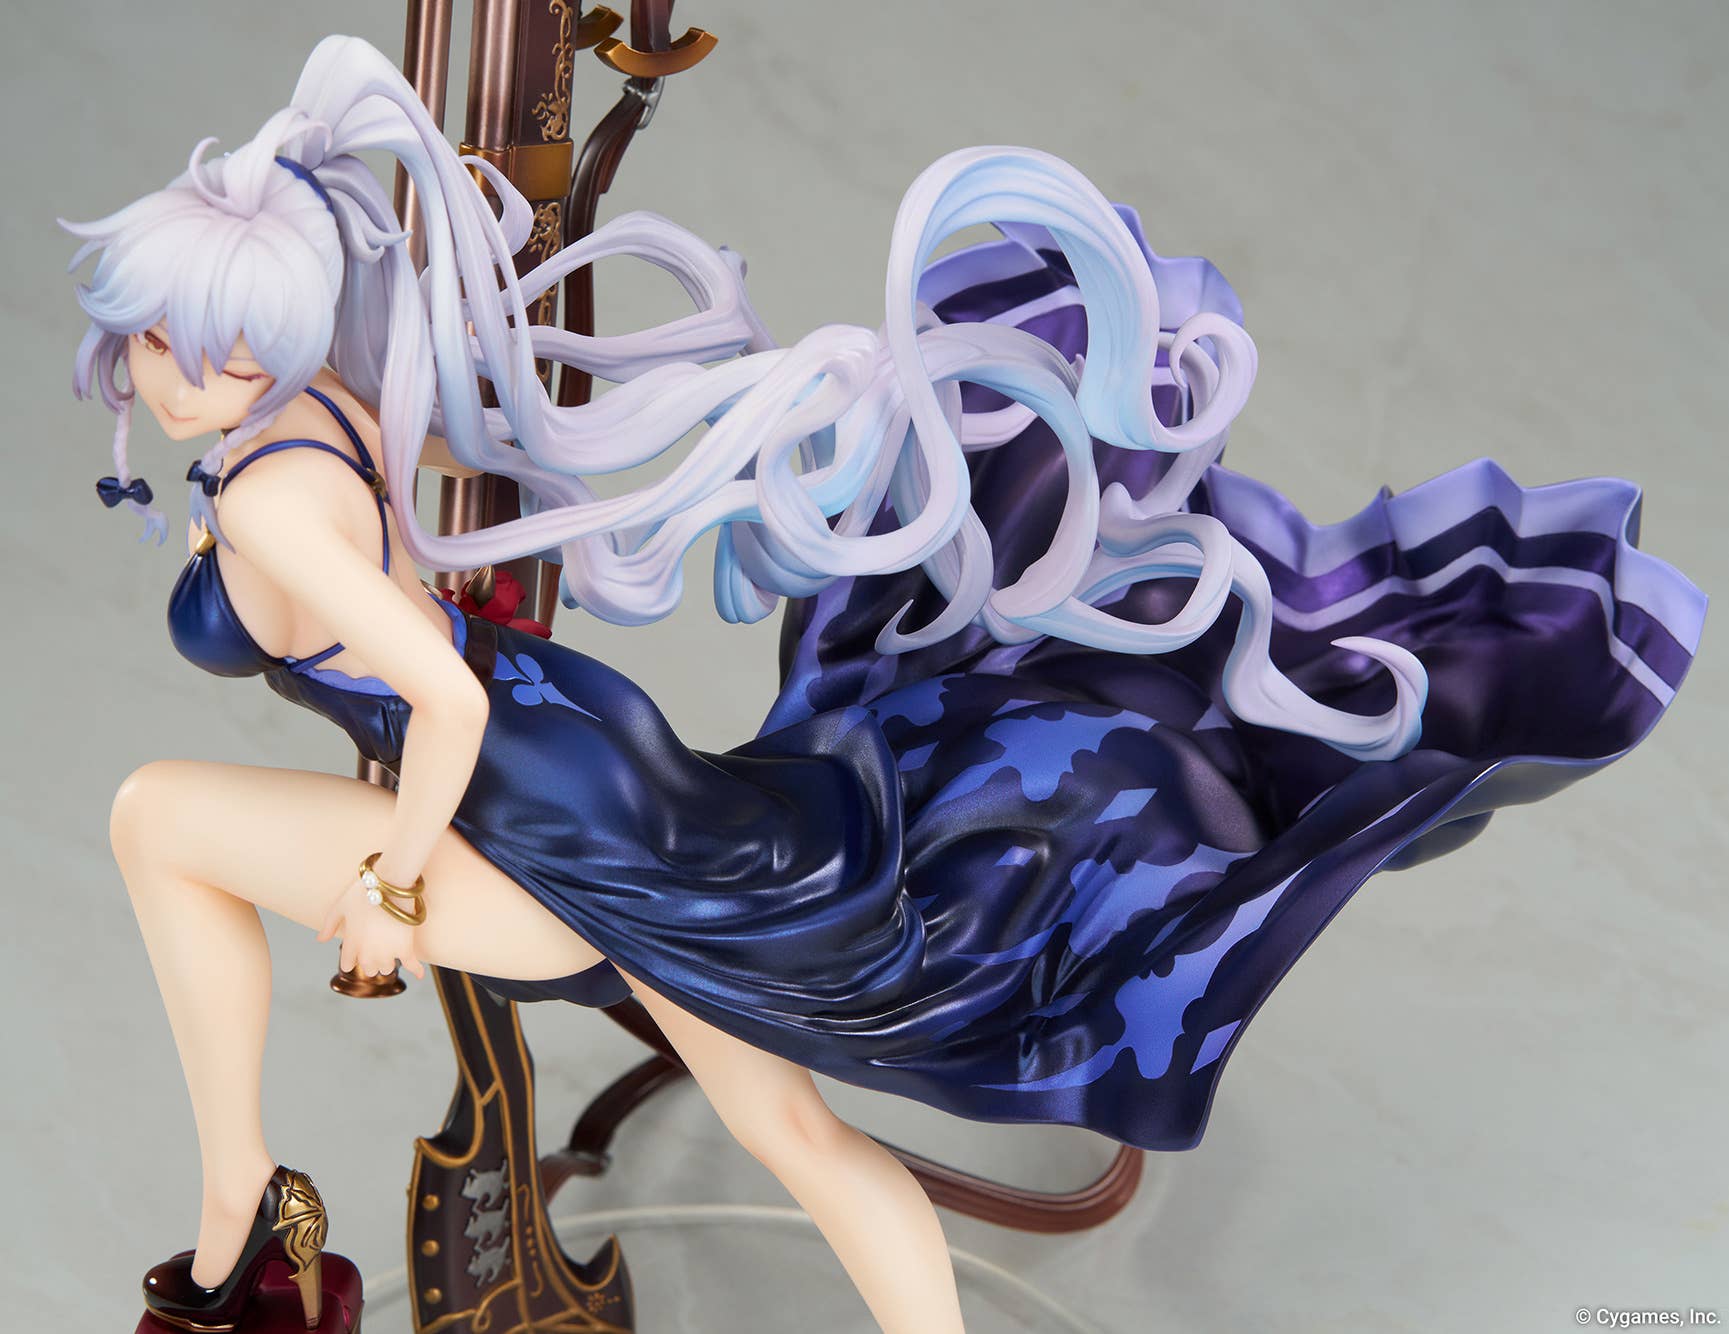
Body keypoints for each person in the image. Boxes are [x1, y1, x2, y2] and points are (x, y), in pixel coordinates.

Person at [67, 32, 1704, 1334]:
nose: (174, 367)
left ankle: (239, 1224)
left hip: (537, 820)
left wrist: (387, 888)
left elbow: (446, 697)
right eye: (164, 337)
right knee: (791, 1133)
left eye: (209, 338)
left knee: (155, 815)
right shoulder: (332, 408)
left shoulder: (276, 491)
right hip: (607, 764)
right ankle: (249, 1233)